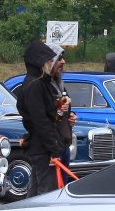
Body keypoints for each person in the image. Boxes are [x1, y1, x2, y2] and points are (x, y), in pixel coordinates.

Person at [15, 40, 75, 193]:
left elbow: (52, 116)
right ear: (39, 61)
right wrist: (53, 151)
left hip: (45, 146)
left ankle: (29, 210)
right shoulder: (34, 84)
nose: (51, 62)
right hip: (43, 148)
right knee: (47, 192)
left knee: (36, 191)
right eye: (48, 59)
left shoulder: (41, 82)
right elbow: (40, 121)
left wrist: (63, 110)